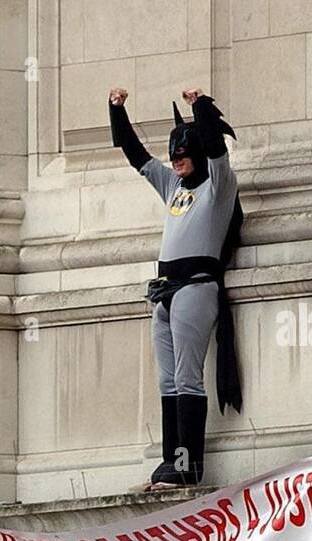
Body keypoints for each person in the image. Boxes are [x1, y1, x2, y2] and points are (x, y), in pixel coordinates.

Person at [109, 86, 244, 490]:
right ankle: (171, 462)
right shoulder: (174, 187)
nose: (176, 159)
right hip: (166, 291)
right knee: (167, 380)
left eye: (183, 152)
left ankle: (188, 466)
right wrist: (117, 112)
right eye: (174, 154)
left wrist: (200, 107)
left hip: (197, 287)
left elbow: (219, 152)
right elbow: (137, 157)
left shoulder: (218, 188)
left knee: (187, 377)